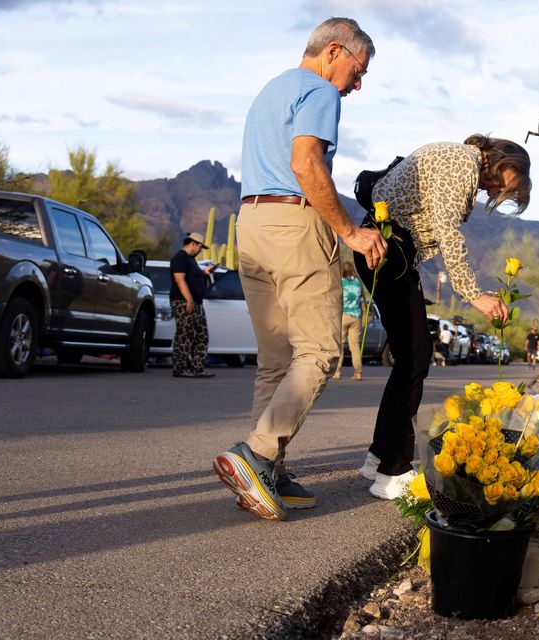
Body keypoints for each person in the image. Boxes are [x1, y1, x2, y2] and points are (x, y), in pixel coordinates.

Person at [213, 17, 387, 522]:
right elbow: (306, 164)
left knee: (276, 359)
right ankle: (258, 453)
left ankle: (268, 469)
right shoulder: (319, 92)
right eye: (359, 70)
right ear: (335, 51)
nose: (358, 85)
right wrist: (350, 232)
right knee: (320, 352)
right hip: (294, 223)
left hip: (252, 223)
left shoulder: (272, 89)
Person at [355, 134, 532, 500]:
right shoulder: (461, 163)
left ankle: (380, 456)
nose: (499, 191)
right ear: (502, 160)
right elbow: (448, 233)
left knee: (411, 358)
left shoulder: (458, 161)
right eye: (507, 183)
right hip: (388, 249)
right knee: (415, 359)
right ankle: (392, 472)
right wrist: (474, 295)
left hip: (392, 252)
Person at [170, 232, 217, 378]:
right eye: (200, 247)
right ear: (194, 244)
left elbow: (191, 276)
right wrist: (189, 299)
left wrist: (204, 272)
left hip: (197, 302)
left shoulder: (191, 260)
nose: (200, 251)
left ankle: (197, 367)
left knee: (201, 335)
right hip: (184, 301)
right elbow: (180, 279)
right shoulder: (180, 258)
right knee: (185, 335)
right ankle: (180, 368)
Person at [333, 261, 364, 381]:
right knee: (355, 346)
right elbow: (361, 300)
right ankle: (358, 372)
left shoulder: (341, 282)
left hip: (343, 315)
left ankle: (337, 372)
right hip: (356, 316)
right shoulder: (357, 283)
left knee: (340, 345)